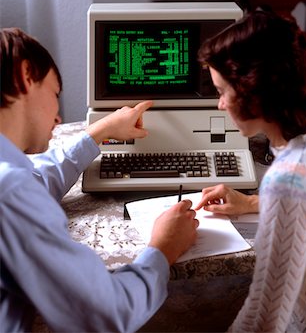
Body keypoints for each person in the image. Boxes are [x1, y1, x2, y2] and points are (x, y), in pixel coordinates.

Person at [0, 27, 199, 333]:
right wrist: (164, 247)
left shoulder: (10, 180)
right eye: (55, 93)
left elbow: (36, 180)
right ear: (26, 74)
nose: (58, 117)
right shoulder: (10, 191)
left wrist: (99, 131)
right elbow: (106, 314)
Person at [195, 11, 306, 333]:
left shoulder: (289, 179)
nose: (220, 106)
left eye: (222, 92)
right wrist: (251, 203)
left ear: (254, 92)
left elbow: (263, 320)